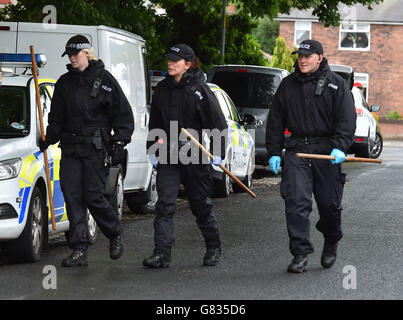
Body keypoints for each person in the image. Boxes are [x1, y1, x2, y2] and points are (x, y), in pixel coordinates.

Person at [39, 35, 134, 267]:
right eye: (69, 55)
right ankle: (79, 249)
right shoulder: (64, 83)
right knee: (72, 198)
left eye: (75, 54)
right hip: (70, 149)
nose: (71, 58)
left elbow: (122, 113)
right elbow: (57, 118)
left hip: (94, 150)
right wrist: (48, 139)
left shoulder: (104, 80)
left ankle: (114, 233)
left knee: (93, 197)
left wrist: (120, 141)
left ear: (86, 54)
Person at [266, 39, 356, 273]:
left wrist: (340, 146)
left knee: (329, 205)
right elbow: (275, 121)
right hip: (297, 150)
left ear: (319, 57)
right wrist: (274, 152)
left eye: (308, 56)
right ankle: (300, 253)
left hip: (326, 151)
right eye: (300, 56)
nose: (303, 60)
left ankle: (332, 237)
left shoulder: (336, 85)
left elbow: (346, 120)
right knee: (296, 203)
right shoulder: (287, 85)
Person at [144, 44, 228, 268]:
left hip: (194, 154)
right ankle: (162, 253)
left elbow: (218, 123)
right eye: (169, 59)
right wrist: (152, 148)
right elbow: (155, 122)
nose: (170, 63)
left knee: (200, 204)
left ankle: (213, 246)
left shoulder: (200, 90)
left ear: (188, 64)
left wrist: (218, 153)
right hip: (168, 155)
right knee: (165, 205)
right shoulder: (162, 88)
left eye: (175, 60)